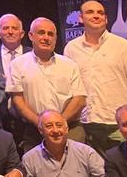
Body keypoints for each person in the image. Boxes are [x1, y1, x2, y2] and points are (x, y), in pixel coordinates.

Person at [63, 1, 127, 152]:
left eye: (100, 13)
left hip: (118, 124)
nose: (96, 16)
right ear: (81, 18)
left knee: (124, 169)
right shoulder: (71, 48)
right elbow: (69, 86)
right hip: (86, 124)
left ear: (106, 19)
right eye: (90, 12)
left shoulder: (123, 46)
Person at [7, 18, 86, 146]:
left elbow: (79, 99)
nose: (46, 37)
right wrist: (41, 123)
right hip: (34, 130)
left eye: (50, 34)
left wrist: (58, 123)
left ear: (55, 38)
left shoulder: (70, 65)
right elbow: (17, 100)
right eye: (41, 33)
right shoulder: (17, 65)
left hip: (69, 128)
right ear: (31, 36)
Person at [18, 111, 105, 177]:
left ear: (66, 129)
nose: (55, 130)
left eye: (59, 125)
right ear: (41, 130)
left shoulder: (87, 153)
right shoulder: (30, 158)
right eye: (49, 126)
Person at [0, 14, 25, 151]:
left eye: (14, 28)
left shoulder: (33, 54)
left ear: (22, 33)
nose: (10, 31)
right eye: (5, 28)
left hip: (27, 119)